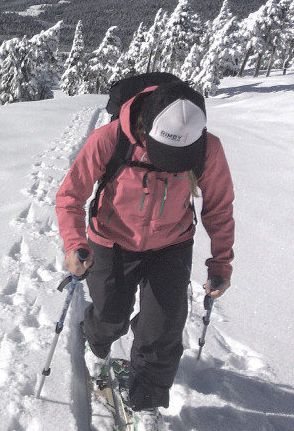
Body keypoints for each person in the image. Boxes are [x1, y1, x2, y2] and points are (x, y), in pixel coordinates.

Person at [55, 74, 235, 427]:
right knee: (110, 316)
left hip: (172, 243)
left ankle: (144, 397)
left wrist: (222, 261)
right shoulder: (109, 139)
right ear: (145, 128)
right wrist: (75, 244)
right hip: (112, 239)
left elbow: (219, 205)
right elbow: (70, 196)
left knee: (164, 328)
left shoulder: (206, 148)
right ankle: (96, 340)